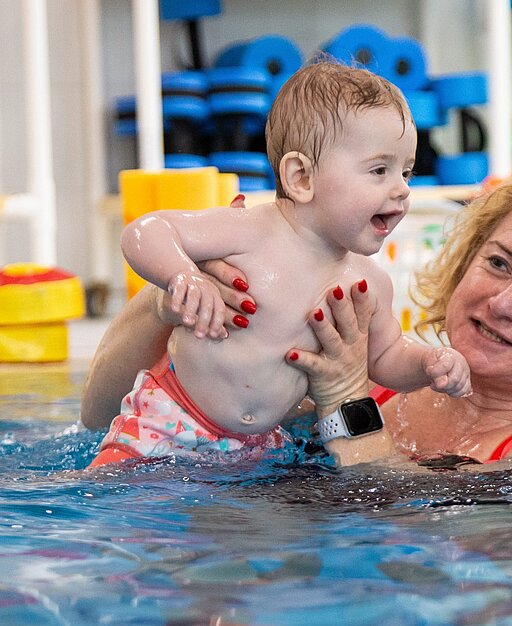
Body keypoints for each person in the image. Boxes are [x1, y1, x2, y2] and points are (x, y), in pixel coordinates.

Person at [82, 153, 512, 467]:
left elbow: (435, 530)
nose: (503, 302)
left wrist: (345, 401)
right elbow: (99, 420)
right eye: (499, 263)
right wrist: (175, 301)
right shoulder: (377, 365)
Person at [86, 60, 470, 468]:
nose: (402, 190)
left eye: (407, 172)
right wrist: (182, 275)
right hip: (170, 418)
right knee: (116, 491)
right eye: (380, 170)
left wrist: (427, 364)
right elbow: (146, 231)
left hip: (255, 446)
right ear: (301, 177)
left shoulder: (369, 283)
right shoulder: (248, 231)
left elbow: (385, 356)